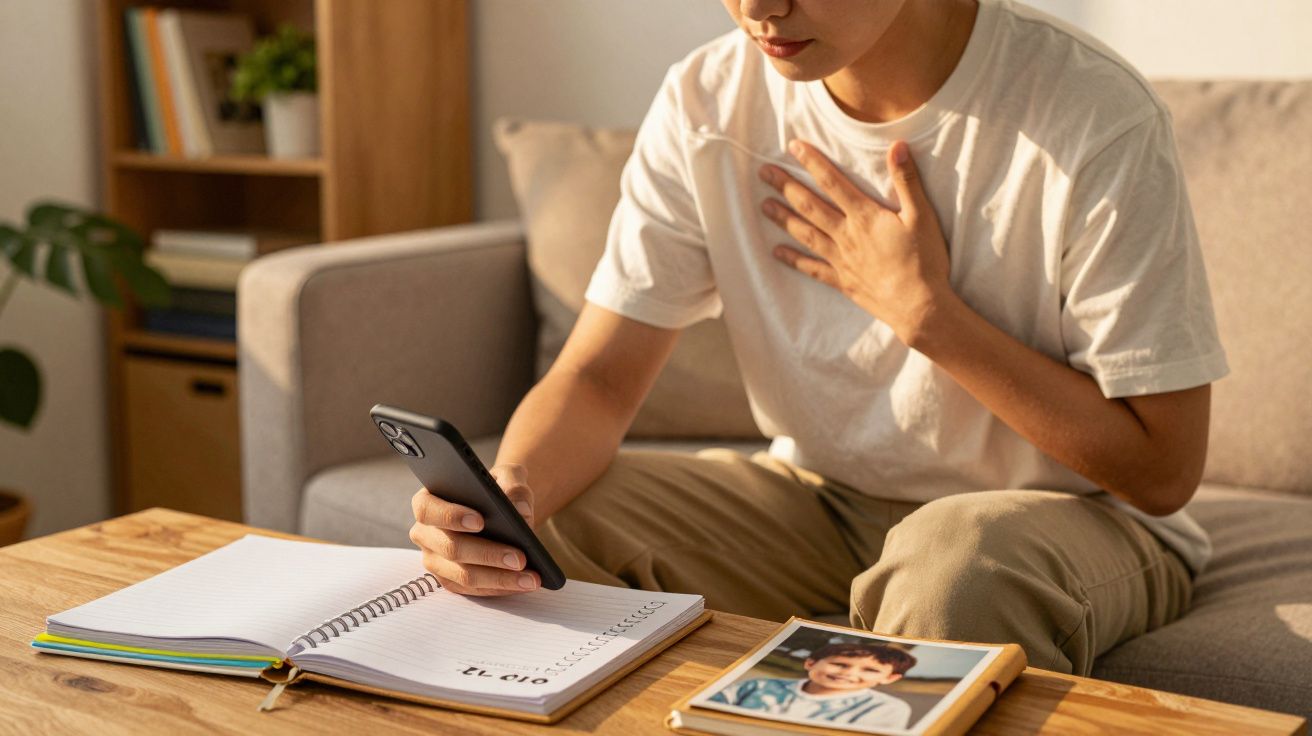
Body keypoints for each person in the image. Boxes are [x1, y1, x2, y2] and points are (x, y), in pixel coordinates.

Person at [409, 0, 1228, 675]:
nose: (758, 10)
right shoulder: (708, 102)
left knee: (950, 570)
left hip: (1074, 518)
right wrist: (502, 502)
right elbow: (597, 378)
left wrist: (929, 317)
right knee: (543, 533)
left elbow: (1163, 471)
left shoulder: (1093, 114)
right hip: (822, 501)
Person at [709, 641, 916, 729]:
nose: (849, 673)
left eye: (870, 670)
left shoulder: (887, 709)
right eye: (839, 664)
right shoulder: (758, 686)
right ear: (810, 663)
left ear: (889, 678)